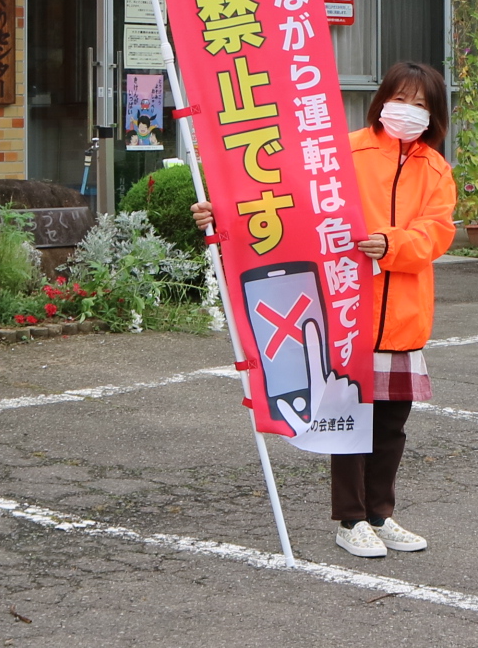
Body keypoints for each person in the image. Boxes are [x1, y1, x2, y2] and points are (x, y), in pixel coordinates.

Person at [196, 61, 457, 558]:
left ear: (435, 114)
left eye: (421, 105)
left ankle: (381, 514)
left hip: (402, 315)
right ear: (381, 101)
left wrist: (392, 243)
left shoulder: (436, 169)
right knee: (349, 417)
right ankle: (350, 519)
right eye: (401, 99)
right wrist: (223, 212)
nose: (408, 112)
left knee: (391, 426)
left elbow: (437, 232)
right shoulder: (345, 152)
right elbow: (287, 199)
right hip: (346, 307)